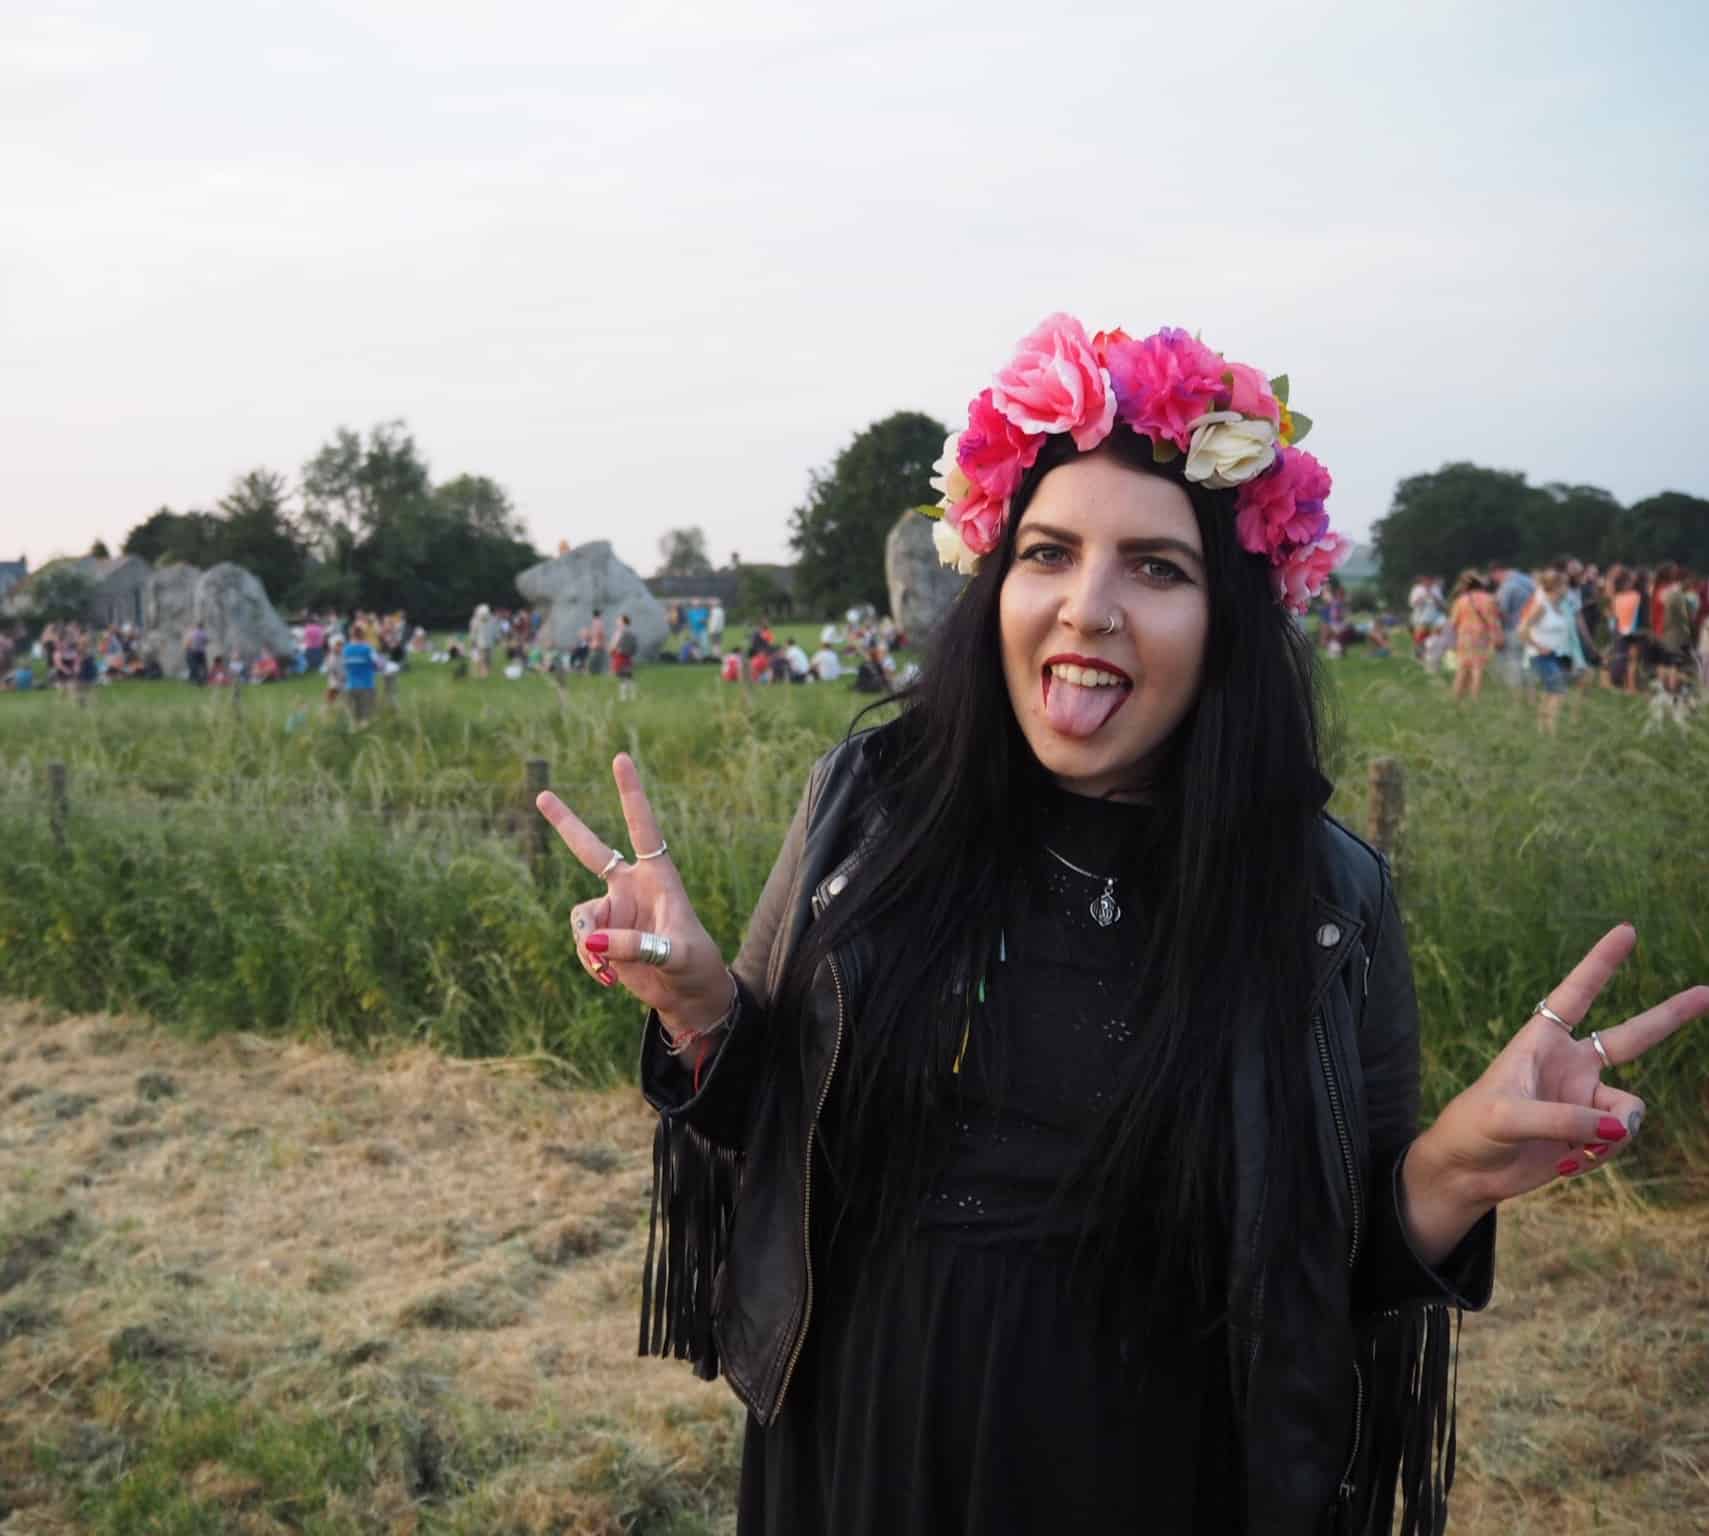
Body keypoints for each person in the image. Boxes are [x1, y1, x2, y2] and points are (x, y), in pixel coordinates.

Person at [533, 313, 1709, 1535]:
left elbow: (1323, 1262)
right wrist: (704, 1009)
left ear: (1228, 624)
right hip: (861, 1438)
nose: (1087, 607)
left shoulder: (1318, 899)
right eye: (1047, 553)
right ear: (995, 584)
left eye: (1156, 568)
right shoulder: (872, 808)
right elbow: (771, 1129)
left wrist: (1447, 1175)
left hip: (1156, 1464)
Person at [1518, 568, 1574, 734]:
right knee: (1558, 690)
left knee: (1551, 692)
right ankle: (1551, 730)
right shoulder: (1542, 607)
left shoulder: (1560, 607)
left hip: (1556, 655)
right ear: (1556, 587)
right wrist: (1537, 646)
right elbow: (1522, 629)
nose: (1567, 589)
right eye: (1565, 586)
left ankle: (1542, 729)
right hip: (1540, 656)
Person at [1447, 570, 1501, 701]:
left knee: (1462, 669)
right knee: (1478, 669)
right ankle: (1475, 699)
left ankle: (1456, 698)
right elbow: (1493, 621)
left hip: (1463, 636)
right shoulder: (1489, 600)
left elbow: (1453, 623)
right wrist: (1496, 638)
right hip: (1481, 636)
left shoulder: (1460, 601)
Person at [1491, 563, 1535, 689]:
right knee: (1528, 660)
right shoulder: (1529, 581)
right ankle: (1530, 686)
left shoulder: (1507, 586)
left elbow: (1502, 610)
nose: (1495, 581)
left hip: (1513, 628)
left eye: (1494, 577)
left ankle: (1515, 689)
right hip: (1531, 627)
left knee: (1513, 658)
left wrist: (1497, 628)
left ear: (1497, 572)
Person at [1609, 567, 1643, 694]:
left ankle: (1622, 685)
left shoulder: (1616, 598)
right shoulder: (1636, 596)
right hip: (1633, 631)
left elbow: (1614, 615)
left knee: (1621, 658)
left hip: (1620, 630)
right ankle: (1632, 687)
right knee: (1633, 660)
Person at [343, 622, 377, 723]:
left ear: (351, 635)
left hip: (350, 686)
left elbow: (344, 666)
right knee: (366, 718)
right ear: (363, 635)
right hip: (366, 685)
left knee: (353, 718)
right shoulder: (368, 649)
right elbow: (378, 664)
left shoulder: (346, 649)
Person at [613, 613, 639, 702]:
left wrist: (617, 649)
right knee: (626, 677)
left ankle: (626, 697)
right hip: (621, 657)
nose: (617, 622)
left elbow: (616, 645)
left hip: (622, 657)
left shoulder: (624, 633)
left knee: (625, 677)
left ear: (623, 622)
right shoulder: (624, 632)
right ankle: (629, 696)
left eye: (619, 620)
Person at [588, 609, 609, 677]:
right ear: (599, 615)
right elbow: (599, 633)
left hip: (596, 643)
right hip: (598, 644)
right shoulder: (598, 622)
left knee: (596, 658)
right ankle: (596, 672)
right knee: (598, 658)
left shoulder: (595, 622)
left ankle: (594, 672)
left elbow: (596, 633)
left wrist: (594, 641)